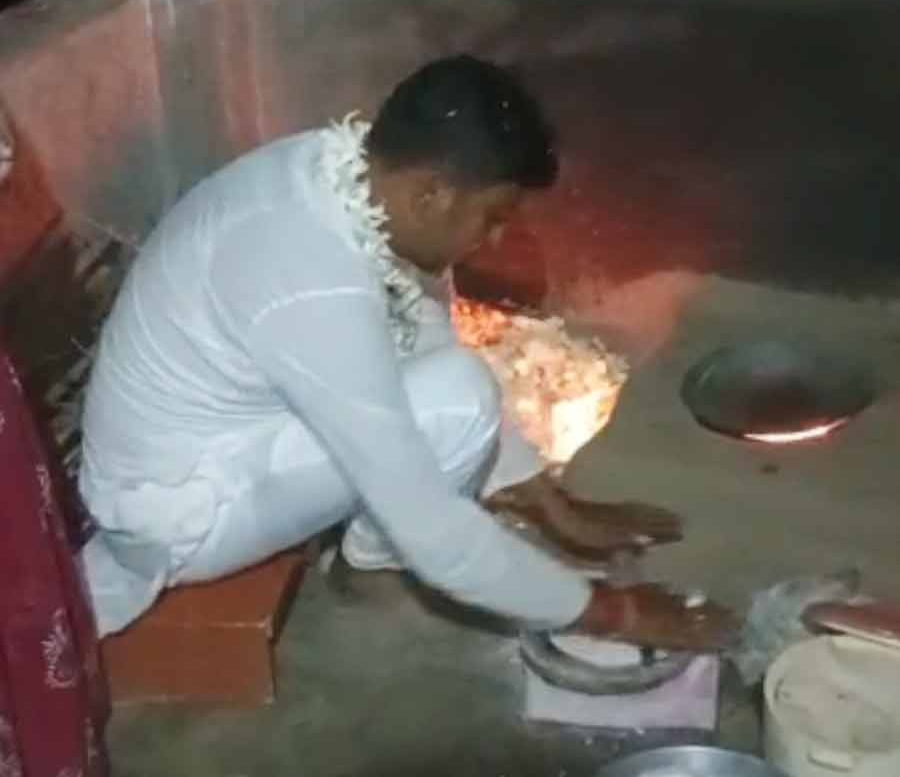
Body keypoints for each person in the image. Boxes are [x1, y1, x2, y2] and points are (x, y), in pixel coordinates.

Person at [79, 55, 735, 650]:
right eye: (493, 215)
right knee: (458, 398)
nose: (496, 237)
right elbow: (434, 527)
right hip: (179, 512)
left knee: (451, 379)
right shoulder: (310, 277)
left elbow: (419, 336)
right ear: (432, 194)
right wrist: (615, 613)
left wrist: (556, 509)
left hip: (220, 440)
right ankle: (369, 569)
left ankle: (366, 558)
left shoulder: (338, 176)